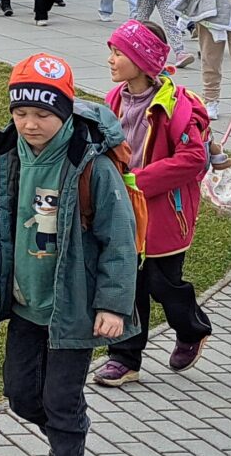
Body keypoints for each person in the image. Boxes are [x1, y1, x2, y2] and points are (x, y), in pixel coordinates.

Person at [0, 53, 137, 456]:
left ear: (66, 111)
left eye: (42, 114)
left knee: (61, 398)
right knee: (19, 393)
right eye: (20, 112)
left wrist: (112, 305)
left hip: (72, 305)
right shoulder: (10, 154)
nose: (30, 124)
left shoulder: (91, 165)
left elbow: (120, 240)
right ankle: (68, 432)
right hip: (26, 302)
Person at [91, 21, 212, 387]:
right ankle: (124, 358)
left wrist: (139, 181)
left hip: (165, 213)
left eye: (119, 53)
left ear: (143, 61)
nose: (111, 60)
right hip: (122, 210)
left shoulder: (176, 105)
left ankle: (191, 329)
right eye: (111, 52)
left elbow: (193, 159)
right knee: (126, 281)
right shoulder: (113, 100)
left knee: (162, 283)